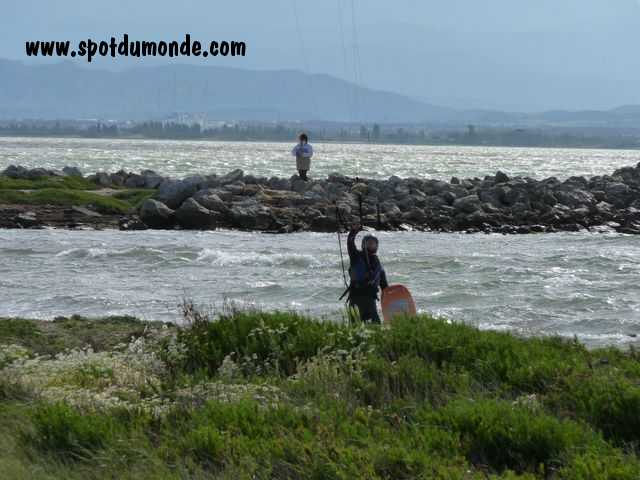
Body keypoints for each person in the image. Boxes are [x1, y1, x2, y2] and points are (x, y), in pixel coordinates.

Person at [345, 223, 388, 323]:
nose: (370, 245)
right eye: (368, 242)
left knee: (376, 327)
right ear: (363, 244)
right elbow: (350, 244)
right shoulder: (356, 256)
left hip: (370, 300)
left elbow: (384, 287)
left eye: (373, 243)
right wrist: (353, 232)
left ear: (377, 246)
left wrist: (390, 300)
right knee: (354, 327)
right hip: (355, 298)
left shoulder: (378, 265)